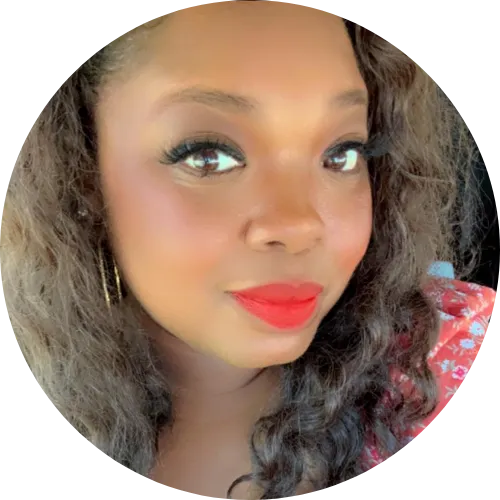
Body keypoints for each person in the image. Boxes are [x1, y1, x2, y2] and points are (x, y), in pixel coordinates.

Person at [0, 2, 495, 499]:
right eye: (209, 156)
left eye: (342, 153)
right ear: (83, 174)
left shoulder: (445, 365)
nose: (299, 227)